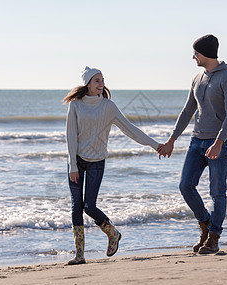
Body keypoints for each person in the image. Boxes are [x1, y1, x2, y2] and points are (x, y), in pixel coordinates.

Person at [64, 66, 163, 265]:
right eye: (97, 80)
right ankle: (80, 255)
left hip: (97, 162)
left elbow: (131, 130)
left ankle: (112, 234)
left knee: (89, 206)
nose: (101, 84)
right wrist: (72, 164)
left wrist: (155, 145)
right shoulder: (75, 105)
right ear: (88, 84)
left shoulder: (108, 107)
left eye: (102, 80)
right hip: (76, 162)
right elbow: (70, 135)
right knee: (76, 207)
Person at [159, 34, 227, 254]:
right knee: (185, 185)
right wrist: (172, 139)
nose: (193, 56)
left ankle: (214, 237)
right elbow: (187, 111)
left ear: (204, 53)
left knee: (217, 191)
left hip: (218, 142)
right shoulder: (197, 78)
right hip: (197, 140)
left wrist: (219, 142)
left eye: (195, 53)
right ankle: (204, 224)